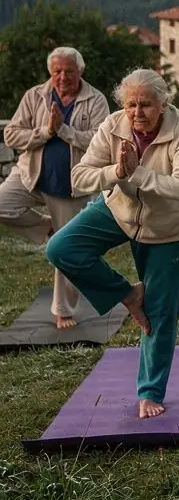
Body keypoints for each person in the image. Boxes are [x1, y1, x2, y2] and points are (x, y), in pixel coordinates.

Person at [46, 69, 179, 418]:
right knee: (60, 249)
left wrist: (136, 173)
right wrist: (115, 174)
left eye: (146, 104)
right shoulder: (113, 125)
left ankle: (150, 391)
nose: (137, 112)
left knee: (160, 313)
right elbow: (80, 176)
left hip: (169, 226)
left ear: (163, 103)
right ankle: (128, 294)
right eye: (131, 104)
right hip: (118, 209)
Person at [1, 48, 109, 329]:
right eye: (57, 72)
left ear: (80, 72)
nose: (62, 77)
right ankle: (45, 228)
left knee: (68, 249)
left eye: (69, 72)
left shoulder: (95, 100)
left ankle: (63, 309)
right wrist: (46, 132)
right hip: (31, 177)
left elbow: (101, 141)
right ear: (50, 73)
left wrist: (63, 130)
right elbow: (11, 134)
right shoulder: (35, 95)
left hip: (72, 186)